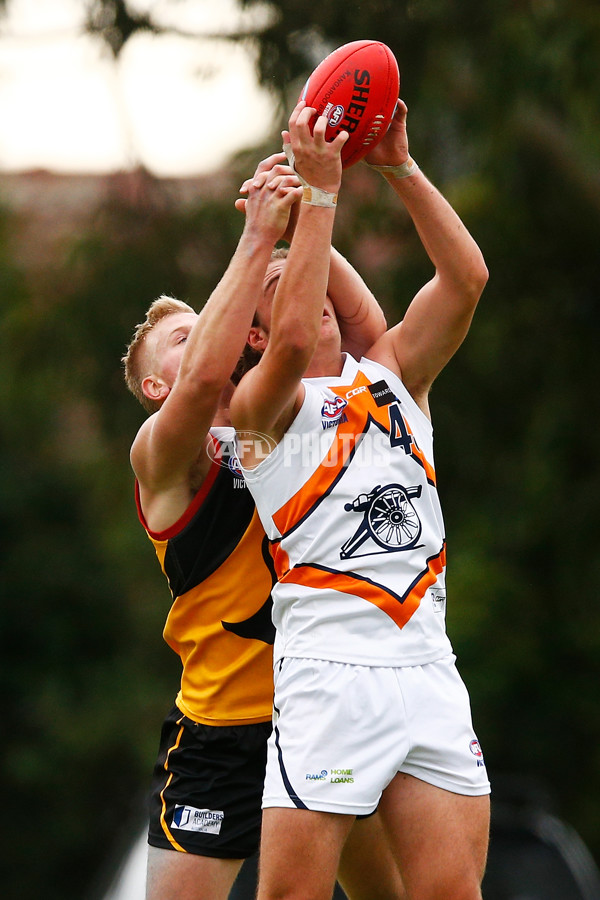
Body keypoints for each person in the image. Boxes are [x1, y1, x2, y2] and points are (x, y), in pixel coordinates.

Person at [122, 154, 405, 900]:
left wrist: (312, 211)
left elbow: (360, 330)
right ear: (154, 387)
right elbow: (209, 377)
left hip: (324, 707)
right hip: (221, 731)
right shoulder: (163, 451)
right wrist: (257, 233)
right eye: (183, 337)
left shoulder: (285, 417)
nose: (209, 338)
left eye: (213, 325)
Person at [231, 97, 491, 900]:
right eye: (280, 283)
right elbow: (297, 337)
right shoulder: (260, 412)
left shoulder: (394, 374)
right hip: (328, 679)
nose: (305, 284)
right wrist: (311, 201)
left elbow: (467, 277)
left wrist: (394, 166)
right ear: (253, 334)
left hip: (426, 665)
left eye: (311, 271)